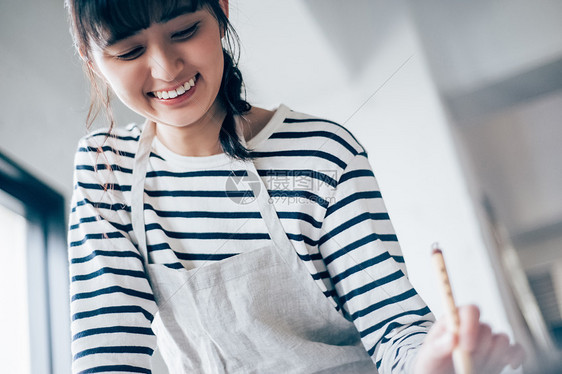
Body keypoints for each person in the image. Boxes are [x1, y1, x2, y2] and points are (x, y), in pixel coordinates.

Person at [65, 0, 526, 373]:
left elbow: (395, 329)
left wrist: (434, 362)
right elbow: (108, 357)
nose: (166, 68)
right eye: (129, 52)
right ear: (91, 61)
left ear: (222, 11)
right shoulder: (107, 172)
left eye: (185, 30)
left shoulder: (322, 153)